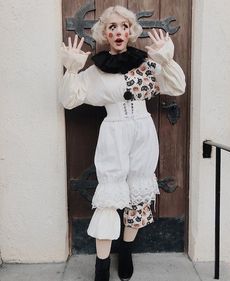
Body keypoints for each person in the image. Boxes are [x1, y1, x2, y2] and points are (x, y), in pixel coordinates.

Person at [59, 5, 185, 281]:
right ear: (104, 33)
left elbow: (176, 87)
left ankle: (126, 250)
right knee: (110, 194)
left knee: (139, 191)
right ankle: (101, 266)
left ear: (130, 32)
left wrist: (166, 61)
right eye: (112, 27)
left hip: (142, 131)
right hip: (114, 133)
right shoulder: (96, 71)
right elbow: (69, 100)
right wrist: (71, 70)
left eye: (124, 26)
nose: (119, 31)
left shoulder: (146, 62)